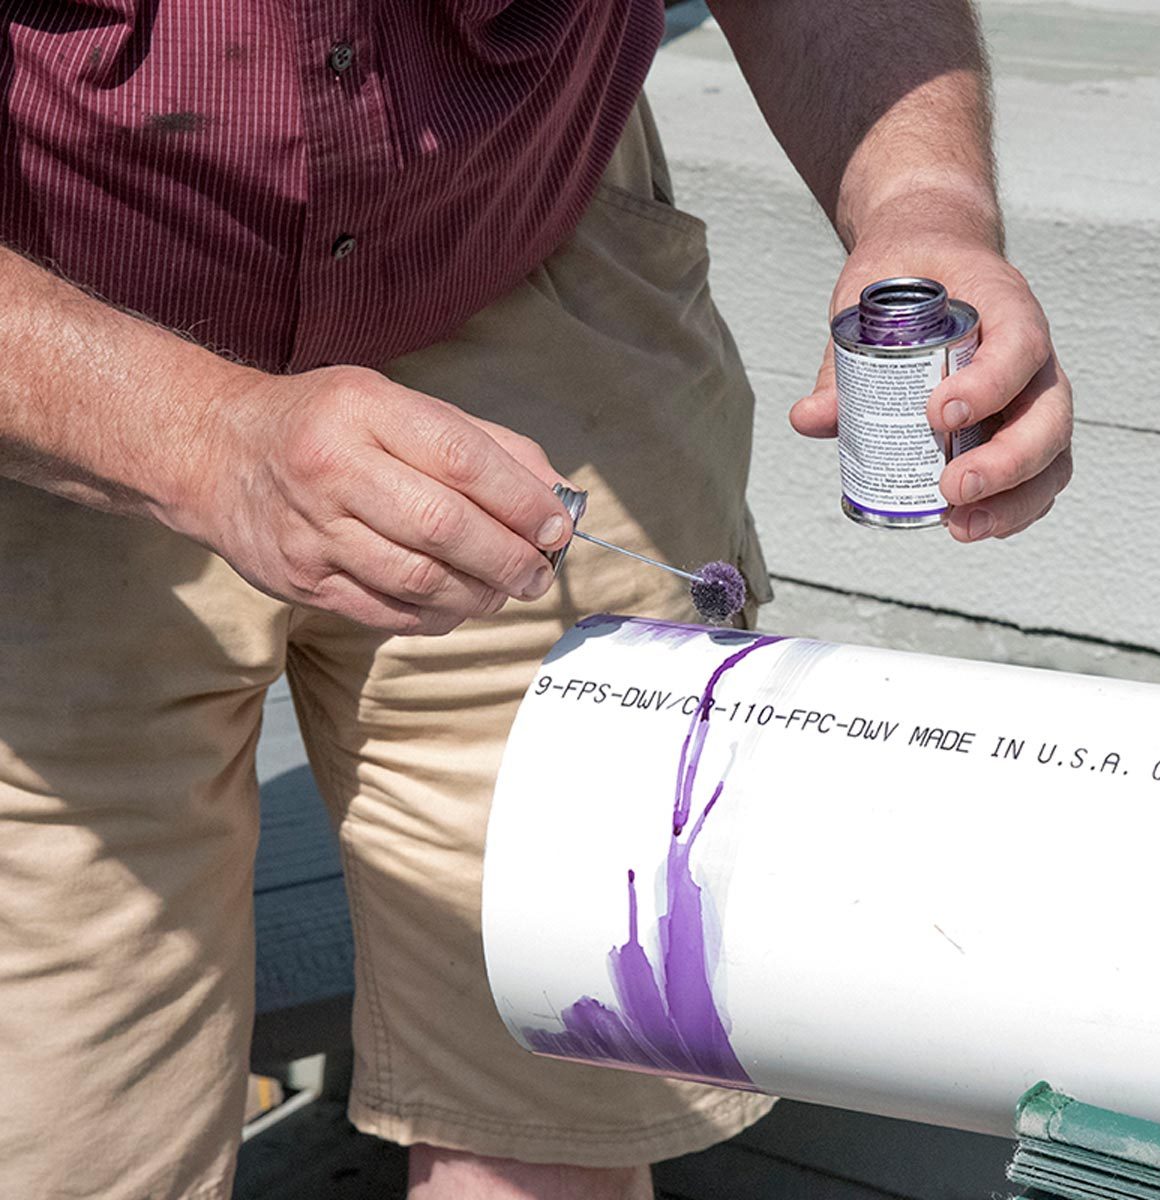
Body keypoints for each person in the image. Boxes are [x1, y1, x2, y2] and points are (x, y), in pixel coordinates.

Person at [0, 2, 1072, 1198]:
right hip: (47, 354)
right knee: (62, 1132)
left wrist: (926, 203)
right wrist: (197, 435)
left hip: (515, 243)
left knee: (559, 1097)